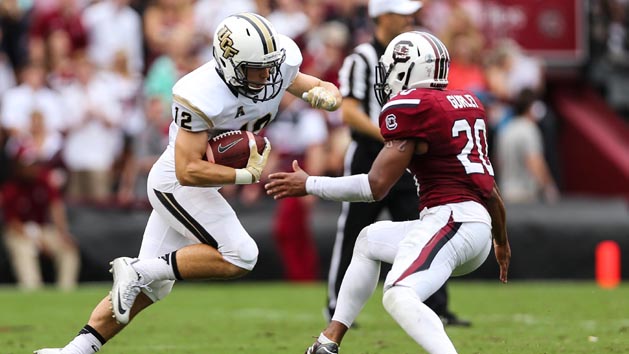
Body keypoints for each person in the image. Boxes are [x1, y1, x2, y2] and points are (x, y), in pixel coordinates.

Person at [34, 12, 342, 354]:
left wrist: (325, 93)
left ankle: (74, 350)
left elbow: (303, 82)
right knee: (241, 255)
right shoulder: (199, 93)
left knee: (152, 289)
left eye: (271, 65)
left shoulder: (276, 64)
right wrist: (246, 175)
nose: (268, 75)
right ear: (230, 64)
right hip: (175, 184)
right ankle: (138, 270)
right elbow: (188, 170)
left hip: (194, 184)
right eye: (258, 68)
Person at [265, 31, 511, 354]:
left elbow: (374, 186)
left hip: (453, 223)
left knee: (398, 293)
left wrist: (310, 183)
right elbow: (490, 190)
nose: (387, 77)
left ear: (411, 69)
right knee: (368, 240)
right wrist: (501, 241)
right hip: (469, 224)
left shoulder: (414, 107)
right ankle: (329, 340)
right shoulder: (465, 102)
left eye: (393, 67)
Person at [327, 0, 467, 327]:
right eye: (402, 12)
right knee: (353, 231)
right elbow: (348, 111)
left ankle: (437, 306)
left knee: (428, 228)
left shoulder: (418, 49)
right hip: (370, 153)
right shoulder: (361, 57)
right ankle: (337, 304)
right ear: (381, 15)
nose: (409, 17)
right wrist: (391, 133)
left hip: (409, 156)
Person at [496, 88, 559, 204]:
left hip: (506, 193)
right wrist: (548, 187)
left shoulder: (506, 129)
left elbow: (498, 162)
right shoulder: (529, 129)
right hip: (525, 196)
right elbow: (534, 162)